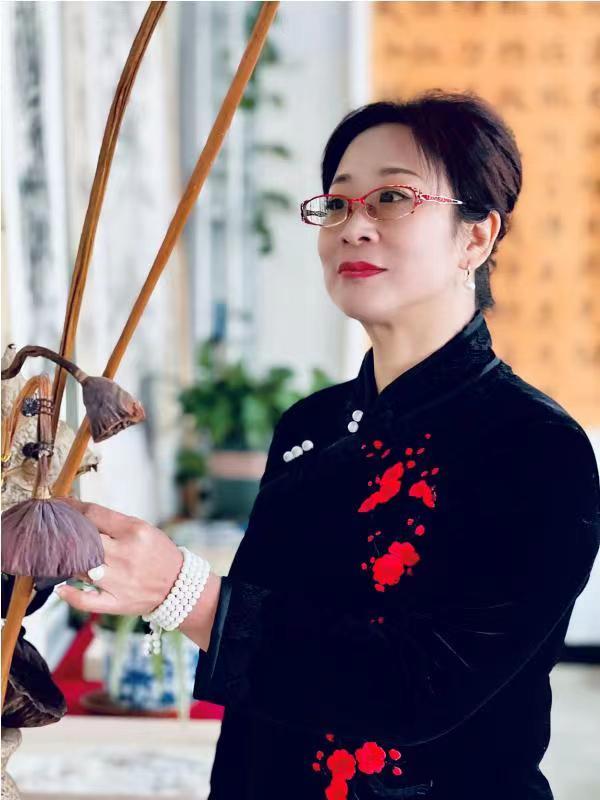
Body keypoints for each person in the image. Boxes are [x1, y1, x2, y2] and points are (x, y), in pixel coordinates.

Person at [56, 91, 600, 800]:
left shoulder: (536, 447)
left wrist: (183, 592)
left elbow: (421, 688)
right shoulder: (309, 425)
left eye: (393, 198)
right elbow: (263, 697)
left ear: (476, 237)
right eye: (338, 204)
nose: (354, 227)